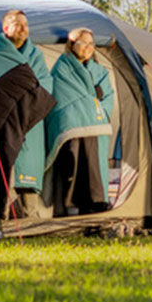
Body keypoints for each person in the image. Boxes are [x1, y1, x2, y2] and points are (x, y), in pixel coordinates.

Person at [0, 10, 55, 217]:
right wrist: (28, 87)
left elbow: (46, 86)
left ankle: (30, 215)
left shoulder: (36, 55)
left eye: (26, 25)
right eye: (17, 24)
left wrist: (25, 93)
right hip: (7, 122)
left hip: (32, 123)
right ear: (6, 28)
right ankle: (4, 214)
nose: (23, 29)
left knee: (29, 170)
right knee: (8, 166)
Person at [45, 27, 115, 214]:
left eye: (91, 44)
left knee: (95, 165)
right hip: (72, 127)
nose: (88, 47)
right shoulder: (62, 69)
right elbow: (61, 97)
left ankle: (97, 202)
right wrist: (91, 104)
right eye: (84, 43)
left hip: (96, 126)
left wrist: (94, 108)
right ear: (72, 44)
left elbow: (108, 97)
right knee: (73, 162)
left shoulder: (100, 72)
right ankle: (71, 205)